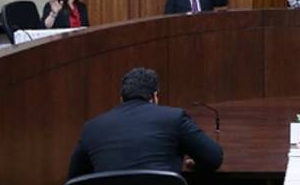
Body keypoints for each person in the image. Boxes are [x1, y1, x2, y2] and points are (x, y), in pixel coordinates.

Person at [67, 67, 224, 178]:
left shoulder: (92, 128)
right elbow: (213, 158)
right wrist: (193, 165)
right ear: (154, 97)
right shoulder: (174, 118)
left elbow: (75, 177)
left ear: (121, 99)